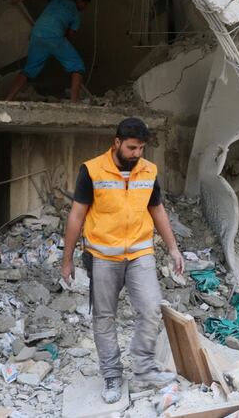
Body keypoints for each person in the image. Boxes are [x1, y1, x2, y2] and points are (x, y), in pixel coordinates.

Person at [61, 117, 185, 403]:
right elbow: (76, 216)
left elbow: (158, 211)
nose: (137, 154)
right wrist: (66, 260)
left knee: (152, 309)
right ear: (116, 142)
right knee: (104, 317)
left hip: (141, 253)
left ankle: (143, 370)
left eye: (141, 148)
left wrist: (173, 248)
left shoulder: (149, 171)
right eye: (131, 148)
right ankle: (112, 375)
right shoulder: (91, 171)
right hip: (103, 256)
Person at [6, 0, 91, 102]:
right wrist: (64, 50)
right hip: (54, 37)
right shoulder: (76, 14)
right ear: (80, 0)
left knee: (28, 70)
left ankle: (7, 100)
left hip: (37, 33)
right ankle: (74, 103)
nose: (84, 8)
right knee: (78, 66)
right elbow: (69, 36)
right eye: (85, 4)